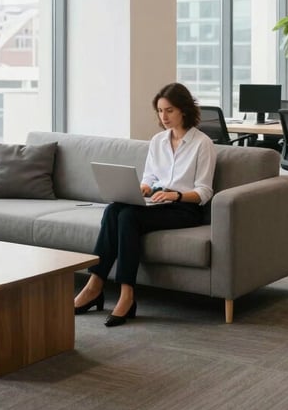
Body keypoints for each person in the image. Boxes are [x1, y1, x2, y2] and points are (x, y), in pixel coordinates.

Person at [73, 82, 217, 327]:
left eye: (169, 110)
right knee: (114, 210)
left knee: (128, 217)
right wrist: (144, 188)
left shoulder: (202, 144)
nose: (164, 117)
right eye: (160, 111)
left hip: (185, 208)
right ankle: (95, 283)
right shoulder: (158, 141)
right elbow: (150, 176)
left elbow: (205, 191)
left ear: (183, 110)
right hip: (157, 201)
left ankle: (127, 294)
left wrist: (177, 196)